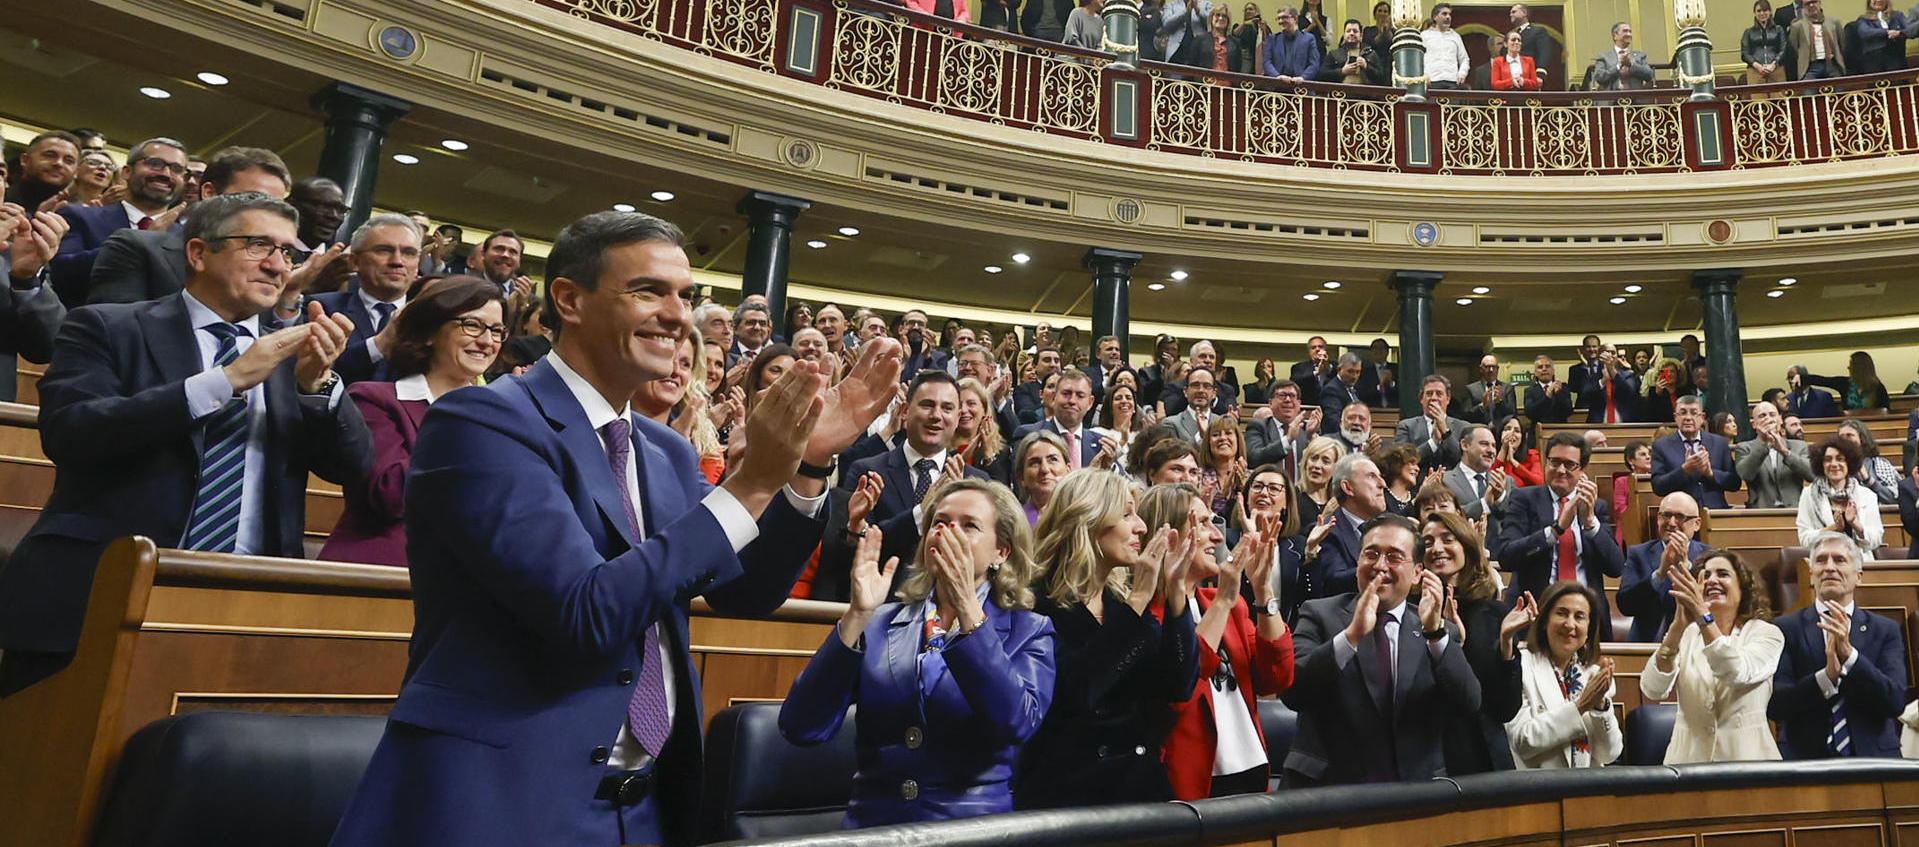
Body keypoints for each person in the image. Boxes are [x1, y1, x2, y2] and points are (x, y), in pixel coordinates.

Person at [329, 212, 902, 846]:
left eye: (684, 296)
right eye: (649, 291)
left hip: (641, 808)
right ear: (570, 300)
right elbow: (584, 611)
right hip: (496, 799)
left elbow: (746, 592)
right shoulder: (482, 421)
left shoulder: (665, 451)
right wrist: (753, 482)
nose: (677, 315)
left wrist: (808, 467)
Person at [0, 193, 372, 695]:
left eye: (289, 252)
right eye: (258, 244)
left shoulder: (299, 352)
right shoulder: (109, 324)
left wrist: (316, 388)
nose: (276, 264)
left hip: (238, 608)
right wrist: (222, 382)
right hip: (94, 594)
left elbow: (356, 469)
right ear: (198, 253)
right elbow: (71, 432)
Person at [779, 480, 1055, 826]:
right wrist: (856, 616)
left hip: (972, 831)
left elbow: (1016, 724)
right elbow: (801, 726)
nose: (948, 533)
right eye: (939, 522)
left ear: (1002, 552)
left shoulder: (1029, 630)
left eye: (969, 525)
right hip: (875, 830)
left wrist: (969, 609)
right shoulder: (880, 621)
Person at [1017, 471, 1199, 809]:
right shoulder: (1034, 603)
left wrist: (1176, 595)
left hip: (1140, 792)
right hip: (1072, 798)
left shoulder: (1121, 604)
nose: (1141, 527)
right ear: (1088, 519)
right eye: (1127, 514)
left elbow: (1177, 685)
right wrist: (1141, 595)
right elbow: (1078, 691)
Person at [1282, 514, 1482, 785]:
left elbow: (1469, 702)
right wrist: (1351, 636)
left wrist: (1435, 634)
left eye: (1395, 557)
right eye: (1371, 554)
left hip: (1412, 795)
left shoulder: (1439, 630)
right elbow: (1293, 692)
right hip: (1328, 796)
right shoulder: (1319, 614)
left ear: (1418, 574)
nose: (1380, 566)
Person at [319, 276, 505, 566]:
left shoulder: (503, 416)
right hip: (378, 579)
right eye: (472, 325)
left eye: (496, 330)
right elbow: (387, 495)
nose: (486, 341)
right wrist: (466, 423)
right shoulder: (375, 399)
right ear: (430, 332)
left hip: (469, 584)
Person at [1144, 484, 1294, 799]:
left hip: (1253, 776)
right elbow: (1184, 681)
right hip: (1192, 787)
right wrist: (1224, 601)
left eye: (1214, 522)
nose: (1216, 536)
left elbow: (1276, 678)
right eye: (1201, 523)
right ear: (1168, 535)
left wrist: (1264, 590)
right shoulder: (1147, 617)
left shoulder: (1229, 603)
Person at [1768, 531, 1908, 759]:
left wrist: (1851, 658)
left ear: (1858, 576)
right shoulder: (1785, 628)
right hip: (1805, 763)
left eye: (1840, 560)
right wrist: (1825, 678)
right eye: (1821, 560)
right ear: (1811, 573)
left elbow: (1894, 702)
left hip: (1875, 761)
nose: (1829, 567)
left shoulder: (1885, 630)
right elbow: (1776, 705)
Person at [1640, 549, 1783, 764]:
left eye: (1723, 574)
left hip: (1749, 766)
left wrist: (1703, 616)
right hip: (1688, 764)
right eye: (1705, 576)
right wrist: (1677, 628)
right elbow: (1653, 688)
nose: (1712, 580)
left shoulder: (1765, 633)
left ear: (1743, 588)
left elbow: (1735, 672)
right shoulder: (1686, 634)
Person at [1421, 511, 1525, 775]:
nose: (1437, 548)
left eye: (1447, 539)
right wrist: (1446, 640)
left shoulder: (1494, 614)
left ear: (1466, 547)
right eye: (1428, 542)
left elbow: (1505, 709)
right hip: (1429, 758)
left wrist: (1506, 647)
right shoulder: (1409, 613)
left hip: (1483, 757)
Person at [1492, 432, 1624, 640]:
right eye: (1555, 462)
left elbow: (1615, 567)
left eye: (1569, 464)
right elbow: (1507, 556)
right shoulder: (1524, 499)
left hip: (1585, 618)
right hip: (1535, 614)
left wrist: (1590, 522)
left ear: (1582, 470)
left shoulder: (1596, 507)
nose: (1560, 470)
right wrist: (1555, 530)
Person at [49, 137, 189, 306]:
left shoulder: (188, 237)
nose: (165, 174)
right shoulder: (80, 216)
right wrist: (139, 241)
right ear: (126, 172)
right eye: (155, 163)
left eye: (176, 169)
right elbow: (61, 273)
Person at [1506, 581, 1624, 769]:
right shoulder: (1520, 666)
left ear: (1588, 630)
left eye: (1579, 617)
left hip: (1586, 791)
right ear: (1544, 621)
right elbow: (1523, 741)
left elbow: (1609, 753)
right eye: (1561, 613)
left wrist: (1600, 707)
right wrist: (1580, 706)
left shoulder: (1593, 674)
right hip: (1539, 790)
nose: (1570, 624)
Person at [307, 214, 422, 385]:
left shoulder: (431, 320)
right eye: (384, 250)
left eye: (409, 253)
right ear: (354, 262)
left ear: (418, 265)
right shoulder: (320, 308)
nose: (397, 261)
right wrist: (378, 345)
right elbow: (309, 374)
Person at [1617, 493, 1709, 642]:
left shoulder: (1710, 556)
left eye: (1680, 517)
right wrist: (1659, 574)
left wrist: (1686, 568)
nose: (1671, 523)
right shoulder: (1639, 554)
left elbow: (1712, 605)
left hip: (1696, 642)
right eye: (1666, 515)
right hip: (1648, 643)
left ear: (1697, 524)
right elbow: (1626, 606)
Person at [1302, 453, 1387, 602]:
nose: (1382, 484)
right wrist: (1383, 566)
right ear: (1348, 487)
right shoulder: (1327, 531)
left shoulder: (1390, 526)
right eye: (1371, 476)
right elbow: (1334, 582)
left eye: (1380, 476)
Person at [1798, 436, 1886, 561]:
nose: (1834, 464)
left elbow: (1876, 538)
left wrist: (1855, 524)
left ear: (1849, 463)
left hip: (1860, 563)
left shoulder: (1867, 495)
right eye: (1828, 460)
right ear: (1821, 464)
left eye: (1840, 459)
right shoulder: (1809, 495)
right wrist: (1832, 529)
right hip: (1824, 562)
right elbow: (1804, 539)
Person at [1239, 464, 1308, 622]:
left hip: (1286, 636)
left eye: (1274, 489)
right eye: (1257, 487)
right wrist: (1249, 539)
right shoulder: (1228, 540)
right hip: (1239, 637)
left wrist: (1311, 553)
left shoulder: (1299, 547)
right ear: (1247, 498)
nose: (1264, 493)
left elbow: (1309, 598)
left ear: (1286, 502)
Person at [1651, 397, 1741, 509]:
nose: (1688, 418)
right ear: (1675, 417)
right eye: (1683, 413)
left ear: (1702, 418)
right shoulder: (1661, 446)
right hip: (1680, 514)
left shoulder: (1719, 443)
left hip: (1715, 512)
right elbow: (1658, 487)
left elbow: (1735, 483)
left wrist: (1710, 473)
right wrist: (1684, 470)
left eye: (1694, 413)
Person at [1014, 368, 1104, 469]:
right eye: (1066, 394)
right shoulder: (1028, 434)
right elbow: (1020, 480)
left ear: (1090, 403)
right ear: (1054, 397)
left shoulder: (1100, 443)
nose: (1072, 401)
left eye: (1080, 395)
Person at [1736, 401, 1815, 509]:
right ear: (1754, 424)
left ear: (1780, 419)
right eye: (1762, 416)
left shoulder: (1799, 446)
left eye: (1772, 415)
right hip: (1761, 512)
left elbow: (1812, 474)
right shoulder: (1744, 448)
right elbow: (1746, 474)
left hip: (1796, 510)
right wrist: (1763, 444)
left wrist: (1784, 451)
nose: (1768, 419)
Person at [1395, 375, 1470, 472]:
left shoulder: (1463, 427)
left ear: (1448, 398)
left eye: (1439, 394)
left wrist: (1445, 432)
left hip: (1452, 485)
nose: (1433, 398)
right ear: (1421, 399)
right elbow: (1401, 461)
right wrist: (1433, 443)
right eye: (1429, 394)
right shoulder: (1406, 426)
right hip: (1418, 484)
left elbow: (1465, 462)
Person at [1246, 379, 1317, 481]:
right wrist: (1287, 440)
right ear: (1270, 403)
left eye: (1292, 396)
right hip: (1271, 492)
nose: (1288, 400)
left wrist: (1312, 438)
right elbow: (1254, 458)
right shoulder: (1259, 426)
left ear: (1299, 404)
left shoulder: (1307, 429)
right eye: (1282, 395)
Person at [956, 377, 1013, 485]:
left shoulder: (1002, 452)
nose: (963, 410)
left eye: (971, 403)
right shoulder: (941, 448)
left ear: (984, 409)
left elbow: (1001, 495)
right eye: (958, 404)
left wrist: (988, 454)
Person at [1837, 418, 1901, 503]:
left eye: (1849, 435)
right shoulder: (1832, 466)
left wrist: (1868, 480)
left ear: (1862, 439)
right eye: (1842, 436)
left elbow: (1893, 499)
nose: (1845, 440)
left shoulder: (1879, 464)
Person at [1015, 430, 1071, 525]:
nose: (1044, 469)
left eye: (1053, 459)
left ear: (1068, 469)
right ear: (1021, 477)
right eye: (1035, 463)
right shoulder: (1014, 524)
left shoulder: (1084, 517)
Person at [1262, 6, 1323, 82]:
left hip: (1301, 86)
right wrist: (1277, 76)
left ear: (1295, 19)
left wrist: (1303, 77)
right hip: (1277, 86)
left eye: (1284, 17)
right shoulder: (1272, 39)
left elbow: (1314, 64)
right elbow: (1267, 62)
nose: (1280, 21)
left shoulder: (1309, 39)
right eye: (1278, 18)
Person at [1296, 435, 1346, 528]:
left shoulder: (1339, 503)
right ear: (1306, 462)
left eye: (1325, 461)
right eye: (1313, 458)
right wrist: (1324, 517)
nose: (1317, 465)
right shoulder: (1293, 497)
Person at [1789, 0, 1848, 78]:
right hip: (1810, 67)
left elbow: (1842, 44)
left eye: (1814, 2)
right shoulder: (1797, 26)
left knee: (1840, 88)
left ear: (1819, 3)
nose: (1811, 5)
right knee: (1807, 89)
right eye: (1807, 4)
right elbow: (1794, 48)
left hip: (1832, 64)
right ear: (1803, 7)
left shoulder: (1833, 22)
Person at [1421, 3, 1472, 89]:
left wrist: (1462, 73)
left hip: (1452, 82)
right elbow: (1418, 58)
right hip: (1431, 81)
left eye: (1449, 14)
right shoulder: (1424, 36)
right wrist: (1423, 74)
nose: (1448, 17)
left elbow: (1464, 59)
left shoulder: (1456, 36)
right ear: (1435, 17)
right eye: (1444, 14)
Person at [1591, 22, 1653, 89]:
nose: (1629, 34)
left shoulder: (1640, 56)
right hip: (1611, 97)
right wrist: (1618, 66)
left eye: (1630, 31)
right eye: (1625, 31)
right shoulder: (1604, 57)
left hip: (1636, 97)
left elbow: (1649, 75)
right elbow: (1599, 78)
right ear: (1615, 35)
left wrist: (1631, 64)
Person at [1743, 0, 1790, 84]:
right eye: (1759, 11)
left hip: (1776, 69)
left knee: (1779, 96)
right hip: (1755, 71)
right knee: (1758, 97)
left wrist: (1774, 64)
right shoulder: (1748, 32)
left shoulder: (1779, 30)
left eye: (1765, 10)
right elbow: (1745, 53)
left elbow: (1783, 49)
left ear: (1770, 12)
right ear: (1754, 13)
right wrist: (1757, 66)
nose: (1762, 13)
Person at [1510, 3, 1557, 85]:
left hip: (1530, 77)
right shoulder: (1510, 34)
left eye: (1514, 12)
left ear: (1524, 13)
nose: (1511, 15)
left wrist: (1540, 74)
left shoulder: (1537, 31)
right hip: (1511, 78)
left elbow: (1544, 53)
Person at [1463, 355, 1516, 424]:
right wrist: (1482, 406)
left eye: (1494, 367)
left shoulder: (1507, 388)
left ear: (1497, 369)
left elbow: (1512, 414)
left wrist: (1500, 402)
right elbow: (1466, 415)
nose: (1491, 370)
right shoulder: (1471, 389)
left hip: (1501, 431)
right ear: (1481, 369)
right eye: (1487, 367)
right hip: (1479, 430)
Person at [1493, 416, 1543, 488]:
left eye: (1517, 431)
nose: (1511, 433)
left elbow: (1540, 482)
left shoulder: (1532, 455)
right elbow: (1491, 481)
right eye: (1508, 429)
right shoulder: (1492, 455)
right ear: (1500, 433)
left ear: (1522, 437)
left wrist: (1513, 462)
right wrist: (1504, 449)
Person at [1524, 355, 1575, 425]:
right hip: (1538, 430)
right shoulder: (1530, 391)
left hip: (1560, 429)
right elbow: (1529, 413)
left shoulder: (1563, 388)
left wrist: (1559, 394)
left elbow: (1569, 411)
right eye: (1540, 367)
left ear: (1553, 371)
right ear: (1535, 373)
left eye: (1547, 366)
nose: (1544, 369)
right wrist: (1547, 397)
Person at [1375, 442, 1422, 517]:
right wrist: (1415, 502)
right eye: (1412, 463)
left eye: (1417, 465)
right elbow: (1390, 523)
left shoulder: (1416, 497)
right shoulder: (1380, 496)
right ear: (1397, 464)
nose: (1417, 469)